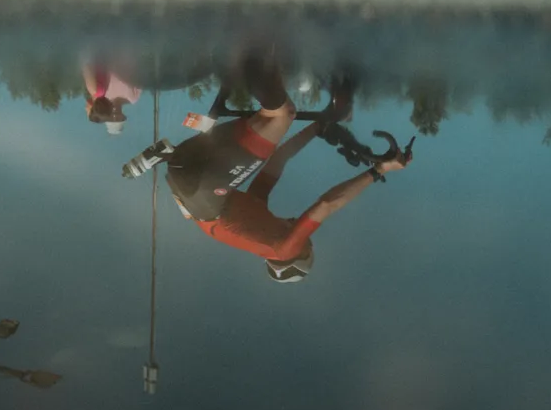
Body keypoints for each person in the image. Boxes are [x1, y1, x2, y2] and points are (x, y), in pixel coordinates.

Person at [126, 55, 411, 282]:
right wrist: (317, 127)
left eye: (307, 243)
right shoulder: (256, 221)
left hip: (206, 190)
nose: (298, 228)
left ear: (297, 255)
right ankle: (251, 57)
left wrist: (379, 171)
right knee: (272, 115)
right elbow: (278, 159)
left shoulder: (282, 248)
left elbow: (326, 204)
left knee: (281, 115)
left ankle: (248, 51)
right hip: (189, 177)